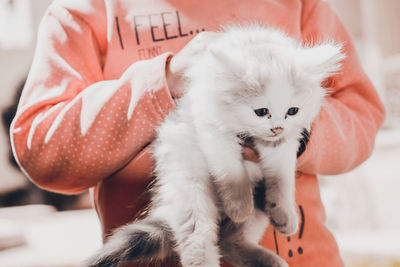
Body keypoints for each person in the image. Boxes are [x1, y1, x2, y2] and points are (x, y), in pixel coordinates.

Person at [10, 0, 385, 266]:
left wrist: (291, 135)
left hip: (303, 258)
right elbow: (42, 150)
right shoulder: (83, 11)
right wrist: (165, 81)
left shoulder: (299, 4)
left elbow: (363, 114)